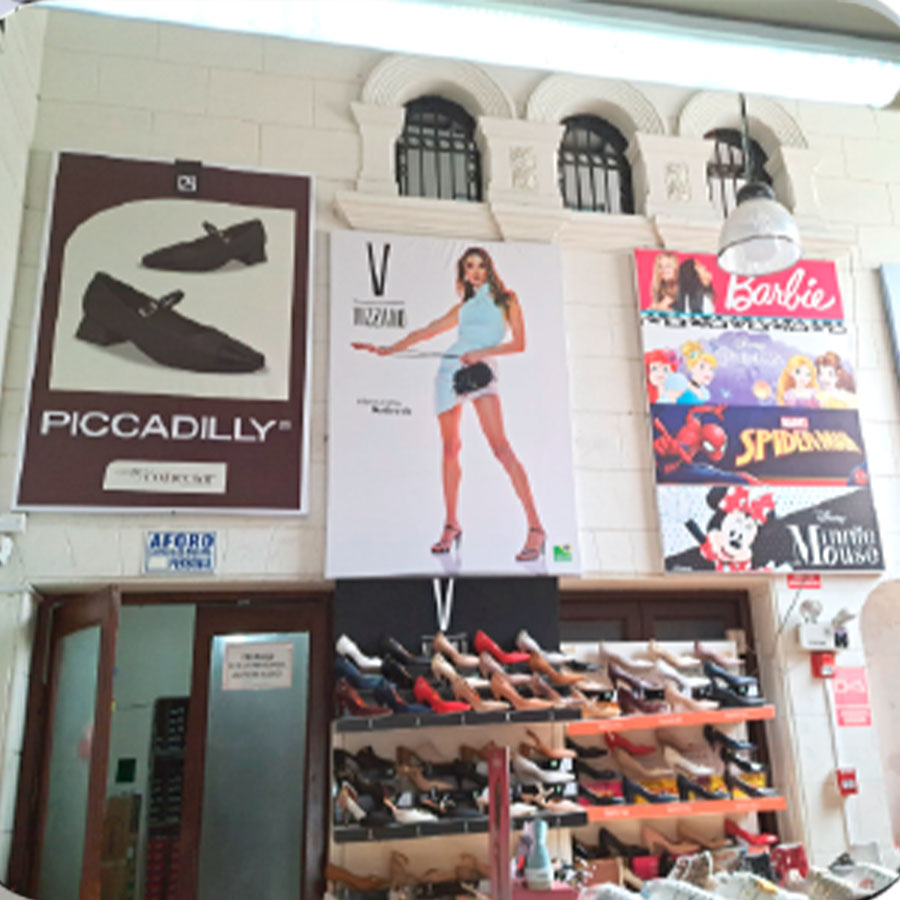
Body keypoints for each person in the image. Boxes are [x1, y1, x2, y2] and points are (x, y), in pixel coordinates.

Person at [352, 247, 545, 562]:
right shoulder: (463, 308)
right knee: (450, 449)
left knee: (501, 449)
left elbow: (519, 344)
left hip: (481, 373)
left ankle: (536, 528)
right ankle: (451, 524)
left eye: (481, 265)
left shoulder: (507, 300)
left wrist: (481, 353)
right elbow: (426, 331)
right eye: (470, 266)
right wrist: (386, 349)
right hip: (449, 374)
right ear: (464, 273)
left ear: (489, 269)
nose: (476, 271)